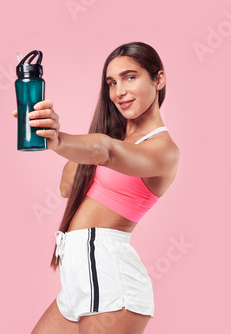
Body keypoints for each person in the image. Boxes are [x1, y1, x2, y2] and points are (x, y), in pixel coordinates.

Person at [13, 41, 180, 334]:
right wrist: (55, 134)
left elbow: (107, 152)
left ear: (159, 79)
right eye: (111, 83)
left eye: (130, 77)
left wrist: (59, 139)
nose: (119, 92)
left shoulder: (163, 150)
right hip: (77, 276)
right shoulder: (109, 136)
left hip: (108, 272)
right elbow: (67, 186)